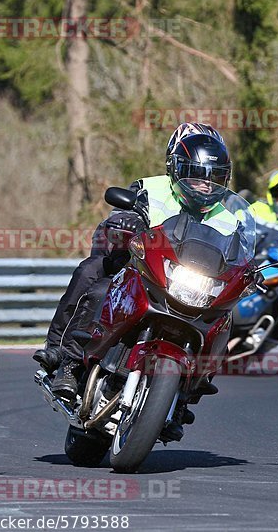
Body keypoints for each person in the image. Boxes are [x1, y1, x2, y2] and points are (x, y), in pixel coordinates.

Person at [46, 131, 237, 402]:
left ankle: (197, 380)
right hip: (143, 271)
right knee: (95, 277)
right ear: (177, 169)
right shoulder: (151, 188)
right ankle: (67, 359)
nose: (205, 186)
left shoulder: (229, 219)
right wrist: (124, 222)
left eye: (214, 177)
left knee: (225, 317)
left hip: (190, 285)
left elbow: (239, 254)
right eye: (197, 176)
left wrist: (251, 270)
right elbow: (116, 218)